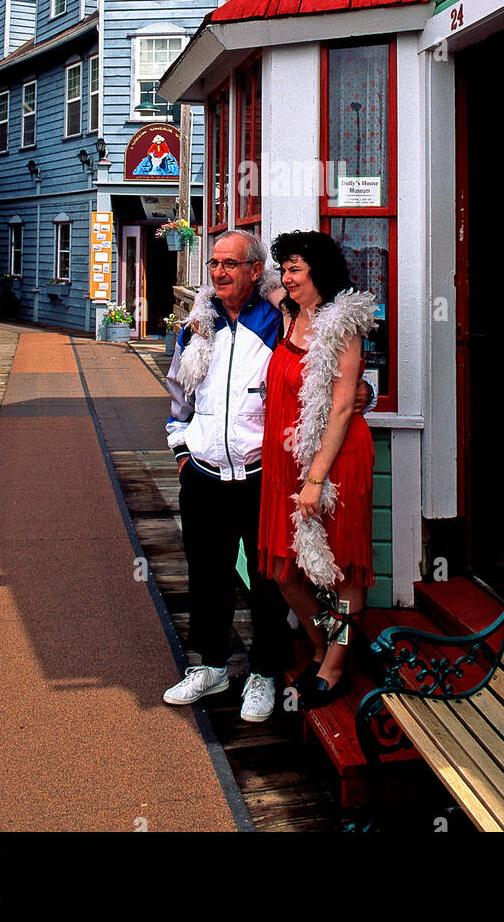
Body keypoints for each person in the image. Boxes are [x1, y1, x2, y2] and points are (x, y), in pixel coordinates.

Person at [162, 230, 289, 722]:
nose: (218, 272)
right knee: (207, 572)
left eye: (230, 264)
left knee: (266, 578)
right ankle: (210, 666)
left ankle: (264, 671)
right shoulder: (198, 325)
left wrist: (359, 392)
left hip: (261, 474)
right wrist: (181, 451)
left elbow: (320, 364)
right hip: (204, 473)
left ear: (256, 271)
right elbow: (179, 393)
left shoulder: (278, 320)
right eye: (213, 263)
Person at [259, 230, 377, 708]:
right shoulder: (290, 314)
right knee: (287, 570)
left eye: (295, 270)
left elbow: (345, 406)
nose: (286, 278)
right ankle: (321, 644)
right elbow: (238, 287)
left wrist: (316, 479)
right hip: (286, 456)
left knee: (343, 568)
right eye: (283, 269)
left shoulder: (340, 326)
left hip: (336, 459)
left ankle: (335, 663)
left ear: (319, 274)